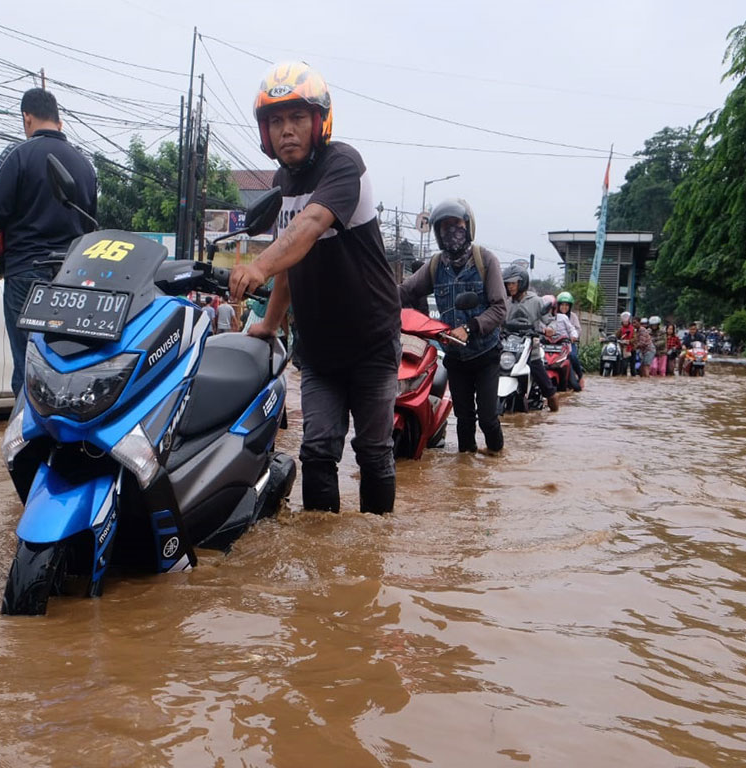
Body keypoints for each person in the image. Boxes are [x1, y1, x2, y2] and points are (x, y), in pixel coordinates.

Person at [228, 62, 401, 515]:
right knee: (317, 452)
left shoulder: (344, 164)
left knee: (374, 452)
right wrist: (269, 322)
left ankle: (373, 557)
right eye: (276, 121)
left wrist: (257, 266)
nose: (287, 131)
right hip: (320, 349)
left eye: (298, 118)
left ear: (319, 122)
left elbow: (308, 227)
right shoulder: (282, 182)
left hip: (371, 342)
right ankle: (324, 568)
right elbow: (290, 259)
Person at [0, 88, 97, 395]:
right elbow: (90, 225)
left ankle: (26, 437)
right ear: (58, 121)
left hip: (26, 273)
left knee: (27, 366)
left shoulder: (19, 155)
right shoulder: (86, 166)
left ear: (27, 117)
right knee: (65, 362)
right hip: (72, 276)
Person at [398, 198, 506, 454]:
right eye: (443, 226)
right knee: (464, 421)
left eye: (455, 224)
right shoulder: (435, 266)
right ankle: (466, 469)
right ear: (436, 233)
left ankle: (497, 463)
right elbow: (406, 291)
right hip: (456, 358)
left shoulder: (485, 260)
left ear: (468, 226)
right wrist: (374, 297)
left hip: (485, 355)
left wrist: (469, 327)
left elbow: (500, 307)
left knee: (488, 418)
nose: (450, 231)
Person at [502, 265, 560, 411]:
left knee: (547, 387)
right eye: (507, 283)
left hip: (530, 349)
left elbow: (551, 320)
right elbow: (498, 322)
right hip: (507, 349)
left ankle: (555, 411)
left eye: (513, 283)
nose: (510, 287)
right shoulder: (505, 302)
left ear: (522, 282)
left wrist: (550, 329)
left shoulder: (536, 301)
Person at [555, 291, 584, 389]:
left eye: (566, 305)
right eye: (562, 305)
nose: (564, 307)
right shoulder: (553, 316)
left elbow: (577, 329)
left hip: (568, 344)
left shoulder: (573, 316)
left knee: (572, 356)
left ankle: (580, 376)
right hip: (554, 345)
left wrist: (573, 337)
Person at [617, 311, 635, 376]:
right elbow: (616, 336)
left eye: (626, 321)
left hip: (632, 349)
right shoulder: (621, 329)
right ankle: (623, 376)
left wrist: (629, 341)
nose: (625, 323)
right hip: (623, 349)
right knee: (623, 365)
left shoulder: (633, 329)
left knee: (632, 367)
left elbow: (635, 338)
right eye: (624, 321)